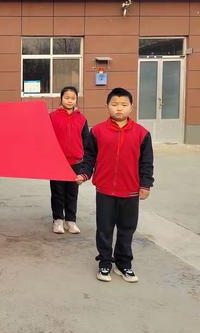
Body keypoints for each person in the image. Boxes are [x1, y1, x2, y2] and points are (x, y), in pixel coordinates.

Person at [77, 88, 154, 283]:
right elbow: (89, 157)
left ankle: (123, 264)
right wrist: (85, 173)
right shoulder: (98, 131)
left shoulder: (142, 134)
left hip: (130, 191)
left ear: (131, 107)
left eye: (123, 104)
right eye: (114, 104)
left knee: (127, 229)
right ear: (107, 106)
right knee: (104, 228)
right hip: (105, 190)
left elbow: (146, 162)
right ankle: (105, 262)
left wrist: (145, 184)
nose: (119, 108)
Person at [49, 86, 89, 234]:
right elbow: (46, 138)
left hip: (76, 162)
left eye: (72, 98)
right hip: (57, 162)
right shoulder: (52, 117)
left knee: (72, 192)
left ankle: (70, 220)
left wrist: (85, 162)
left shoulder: (82, 119)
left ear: (76, 99)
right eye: (66, 97)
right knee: (57, 192)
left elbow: (86, 141)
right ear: (61, 98)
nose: (69, 100)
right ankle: (58, 220)